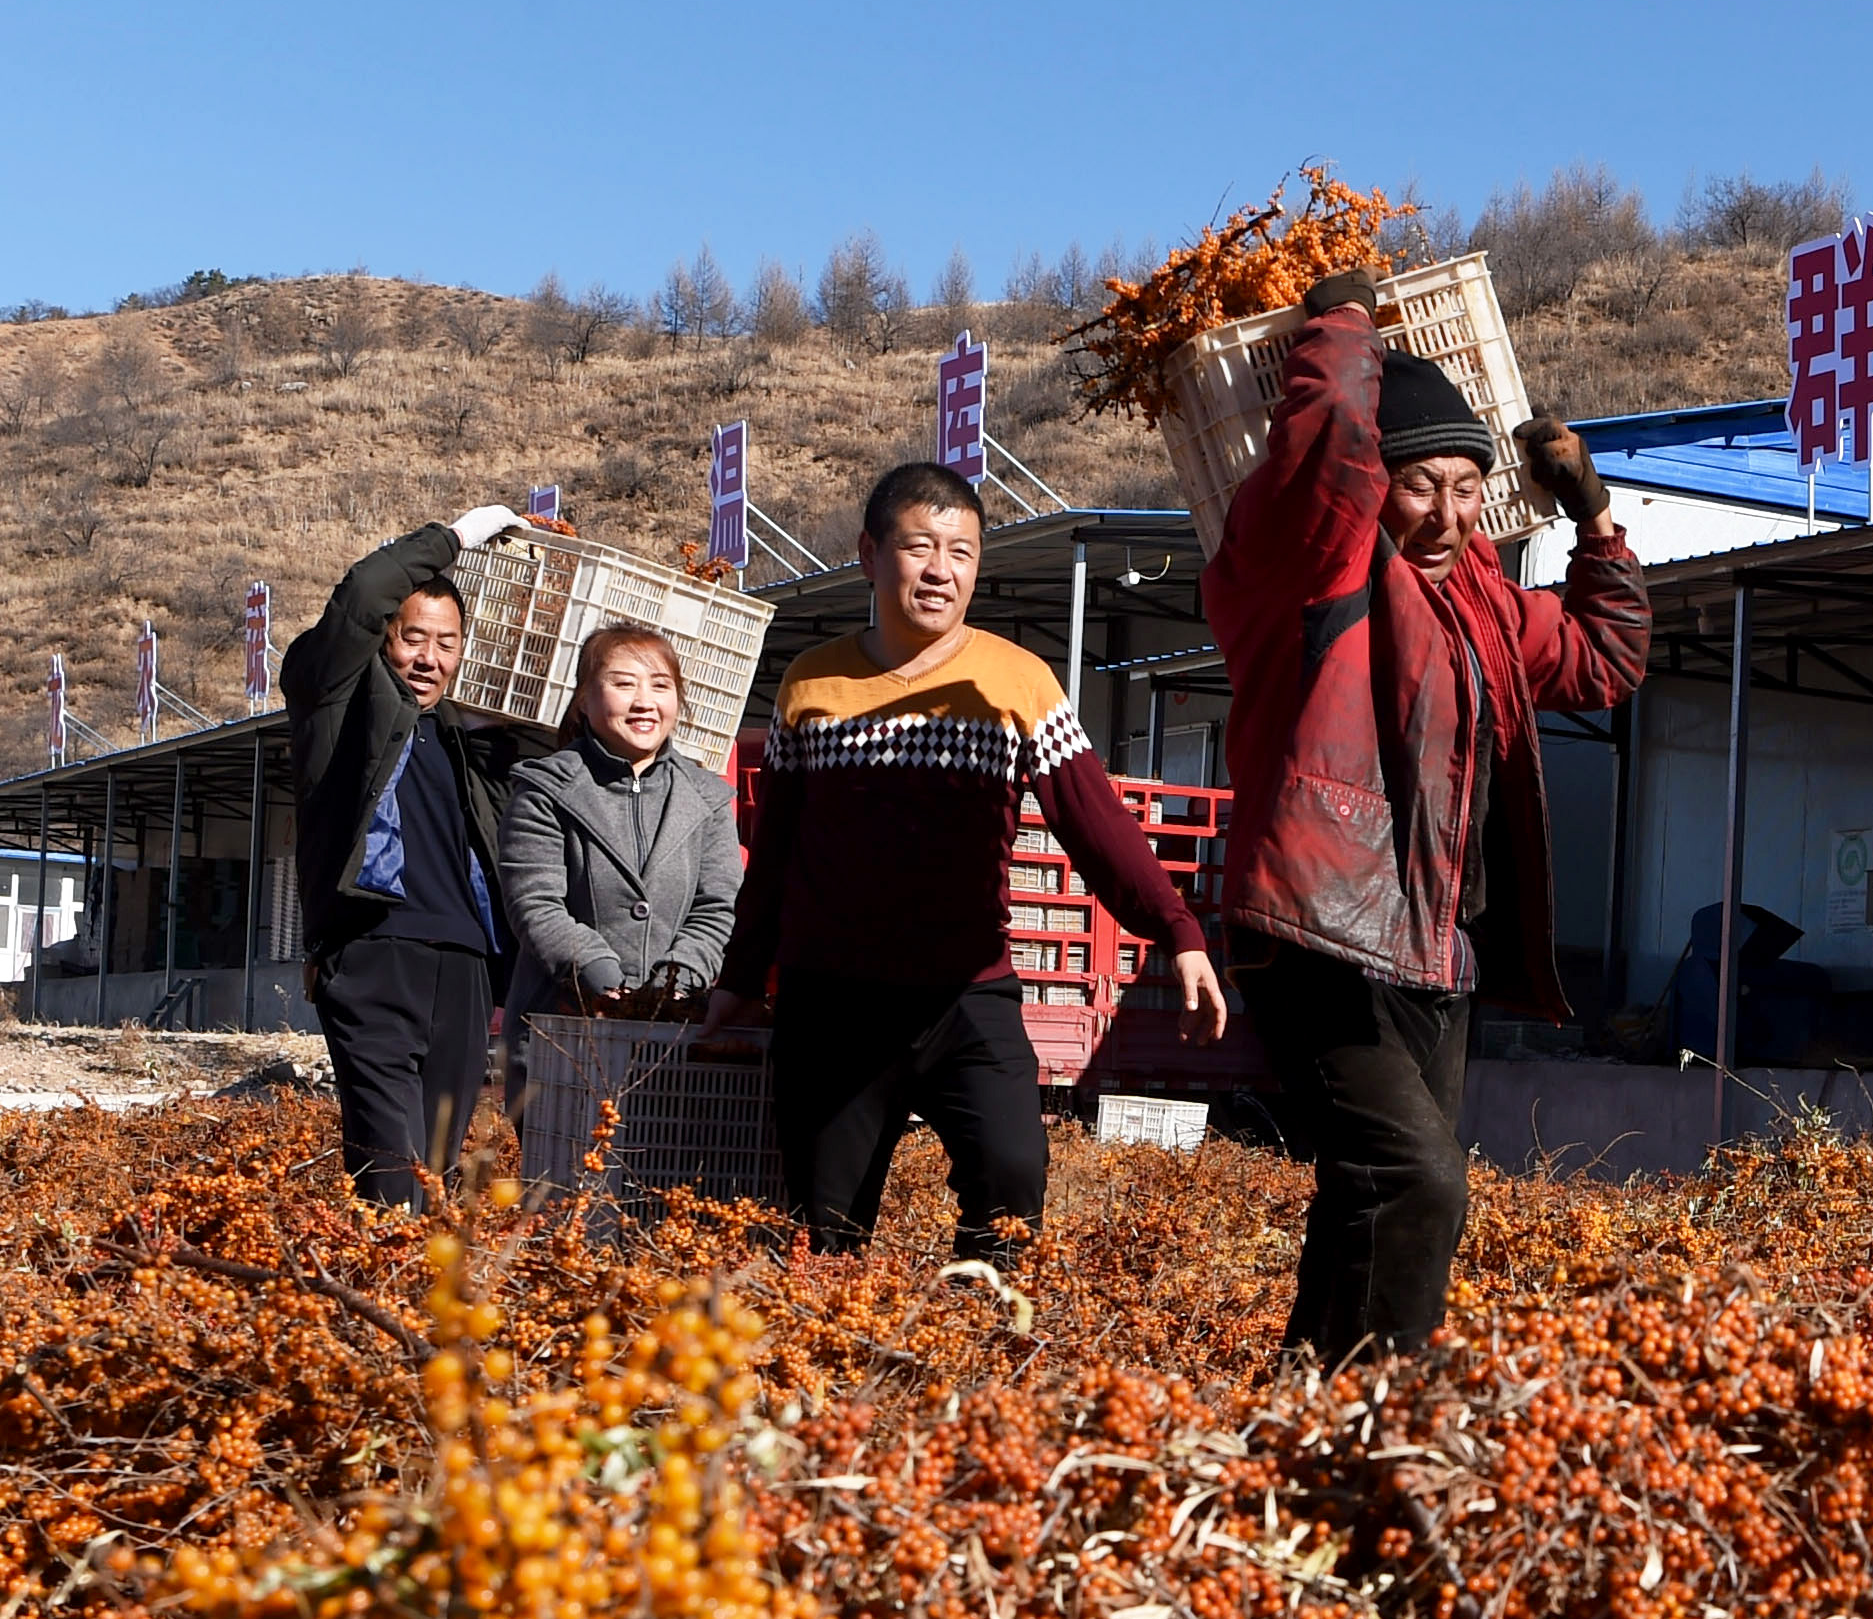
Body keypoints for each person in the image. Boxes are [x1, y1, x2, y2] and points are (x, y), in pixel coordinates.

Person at [1204, 272, 1649, 1362]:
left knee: (1370, 1186)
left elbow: (1603, 662)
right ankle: (1390, 1407)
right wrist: (1345, 317)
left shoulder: (1485, 602)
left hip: (1434, 950)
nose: (1446, 514)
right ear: (1374, 488)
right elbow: (1326, 434)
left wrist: (1593, 517)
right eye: (1417, 485)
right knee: (1419, 1177)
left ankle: (1311, 1405)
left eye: (1467, 487)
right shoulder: (1313, 562)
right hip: (1318, 929)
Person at [710, 463, 1225, 1263]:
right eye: (919, 546)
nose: (940, 570)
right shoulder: (812, 685)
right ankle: (847, 1339)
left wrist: (1177, 931)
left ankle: (978, 1323)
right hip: (833, 1003)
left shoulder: (1018, 681)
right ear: (869, 555)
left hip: (967, 997)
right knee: (825, 1227)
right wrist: (740, 979)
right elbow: (775, 851)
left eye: (961, 551)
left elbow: (1096, 825)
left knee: (1012, 1180)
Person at [281, 506, 526, 1208]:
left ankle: (417, 1281)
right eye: (412, 637)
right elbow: (362, 594)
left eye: (446, 643)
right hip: (372, 953)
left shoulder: (460, 739)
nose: (429, 658)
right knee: (391, 1167)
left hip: (466, 963)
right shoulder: (334, 704)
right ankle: (379, 1271)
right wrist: (457, 537)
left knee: (438, 1172)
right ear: (381, 639)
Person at [496, 622, 743, 1047]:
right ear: (583, 700)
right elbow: (535, 904)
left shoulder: (708, 799)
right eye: (624, 684)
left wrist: (674, 985)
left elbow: (719, 906)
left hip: (672, 1035)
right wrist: (603, 980)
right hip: (561, 1031)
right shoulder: (544, 789)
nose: (644, 702)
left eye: (660, 685)